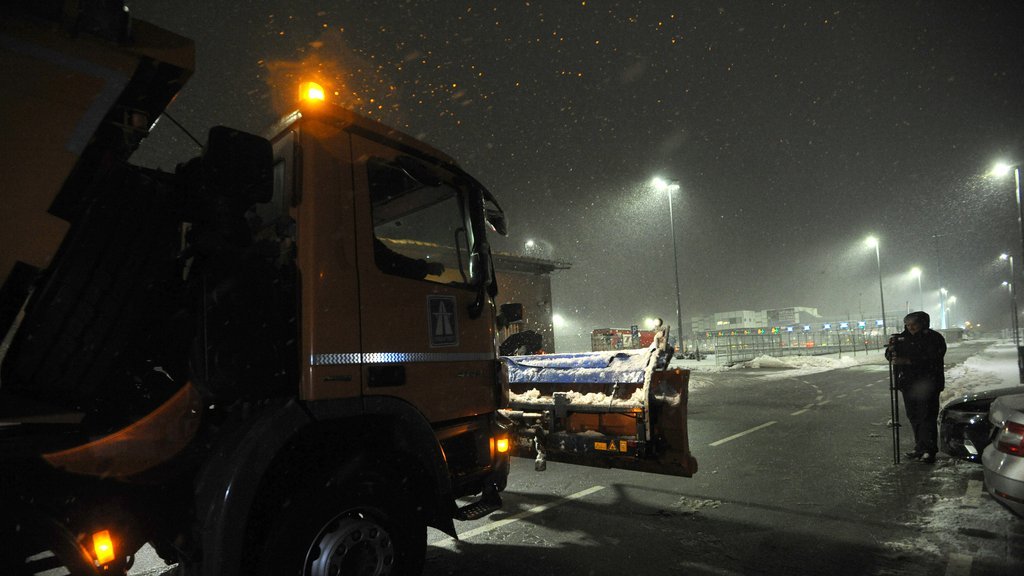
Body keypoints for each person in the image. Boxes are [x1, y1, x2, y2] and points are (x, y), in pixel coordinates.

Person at [885, 311, 947, 463]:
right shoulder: (902, 338)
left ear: (923, 323)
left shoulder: (934, 338)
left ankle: (929, 449)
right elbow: (890, 356)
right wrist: (891, 351)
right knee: (913, 416)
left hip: (928, 383)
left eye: (914, 324)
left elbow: (933, 357)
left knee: (927, 416)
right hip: (908, 384)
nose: (911, 327)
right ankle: (919, 446)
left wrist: (907, 361)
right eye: (908, 325)